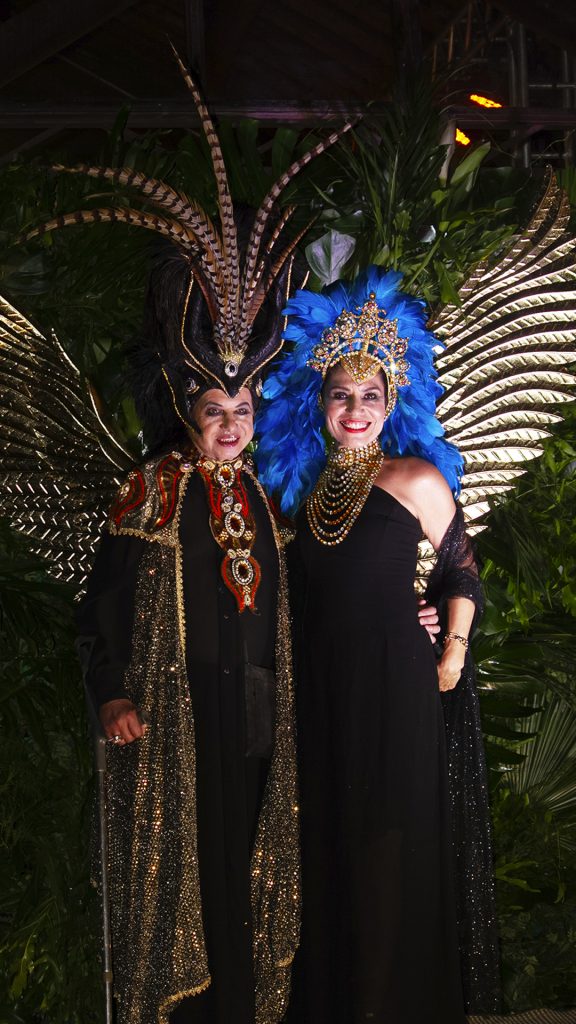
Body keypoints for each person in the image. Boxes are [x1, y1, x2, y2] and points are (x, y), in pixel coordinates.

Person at [255, 267, 500, 1023]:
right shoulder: (299, 495)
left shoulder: (416, 478)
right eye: (341, 395)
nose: (355, 409)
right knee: (332, 842)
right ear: (321, 402)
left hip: (396, 684)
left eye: (369, 396)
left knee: (388, 843)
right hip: (323, 687)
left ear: (391, 403)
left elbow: (461, 570)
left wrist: (451, 649)